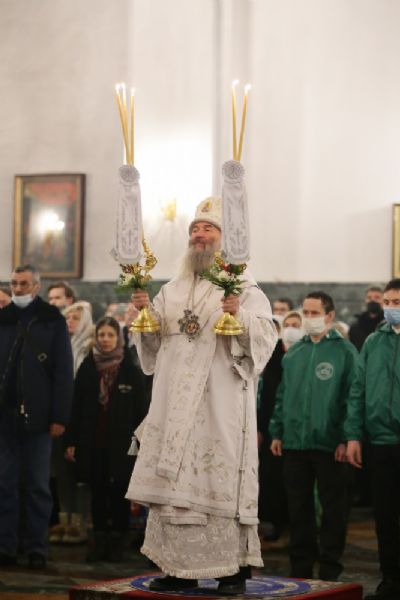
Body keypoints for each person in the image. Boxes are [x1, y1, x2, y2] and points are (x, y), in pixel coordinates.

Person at [126, 197, 277, 594]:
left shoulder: (243, 287)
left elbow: (267, 337)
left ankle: (232, 571)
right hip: (175, 406)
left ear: (225, 240)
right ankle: (176, 569)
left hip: (218, 404)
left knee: (215, 478)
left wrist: (240, 315)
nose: (198, 235)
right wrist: (145, 317)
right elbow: (154, 349)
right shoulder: (171, 289)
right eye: (194, 229)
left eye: (208, 228)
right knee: (175, 484)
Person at [270, 291, 357, 581]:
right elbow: (283, 395)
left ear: (329, 316)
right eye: (305, 312)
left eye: (314, 313)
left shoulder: (344, 352)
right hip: (295, 442)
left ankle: (330, 568)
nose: (308, 318)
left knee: (333, 510)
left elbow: (352, 397)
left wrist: (346, 437)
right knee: (299, 509)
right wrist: (277, 431)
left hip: (330, 444)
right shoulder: (295, 353)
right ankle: (301, 568)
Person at [0, 265, 73, 568]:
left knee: (37, 486)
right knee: (5, 483)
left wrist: (59, 416)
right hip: (5, 416)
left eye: (24, 284)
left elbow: (63, 371)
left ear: (36, 286)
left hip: (40, 417)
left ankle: (36, 548)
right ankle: (6, 546)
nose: (17, 289)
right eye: (14, 283)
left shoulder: (51, 319)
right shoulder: (3, 319)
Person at [65, 316, 148, 562]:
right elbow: (75, 406)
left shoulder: (130, 369)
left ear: (118, 338)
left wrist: (142, 442)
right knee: (97, 490)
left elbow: (141, 410)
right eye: (101, 335)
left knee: (120, 491)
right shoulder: (87, 367)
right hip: (92, 441)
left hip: (122, 444)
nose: (105, 339)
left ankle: (117, 542)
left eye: (110, 335)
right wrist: (71, 440)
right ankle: (99, 540)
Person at [346, 278, 400, 600]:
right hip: (380, 441)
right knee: (385, 517)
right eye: (388, 303)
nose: (391, 308)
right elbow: (358, 390)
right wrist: (353, 435)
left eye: (397, 303)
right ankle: (390, 579)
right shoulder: (373, 342)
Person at [49, 301, 94, 544]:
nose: (70, 322)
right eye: (68, 318)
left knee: (80, 473)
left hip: (81, 418)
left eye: (76, 318)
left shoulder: (89, 348)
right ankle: (64, 521)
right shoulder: (60, 346)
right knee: (62, 473)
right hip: (60, 416)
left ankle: (80, 523)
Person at [257, 310, 303, 541]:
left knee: (295, 481)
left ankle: (296, 524)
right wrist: (260, 428)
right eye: (289, 324)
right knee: (272, 478)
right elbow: (265, 395)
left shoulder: (304, 353)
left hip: (296, 427)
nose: (292, 328)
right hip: (271, 426)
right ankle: (276, 522)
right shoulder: (273, 354)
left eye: (297, 324)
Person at [349, 286, 384, 352]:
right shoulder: (356, 326)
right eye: (369, 298)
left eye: (377, 297)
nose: (372, 300)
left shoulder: (388, 325)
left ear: (384, 301)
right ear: (365, 300)